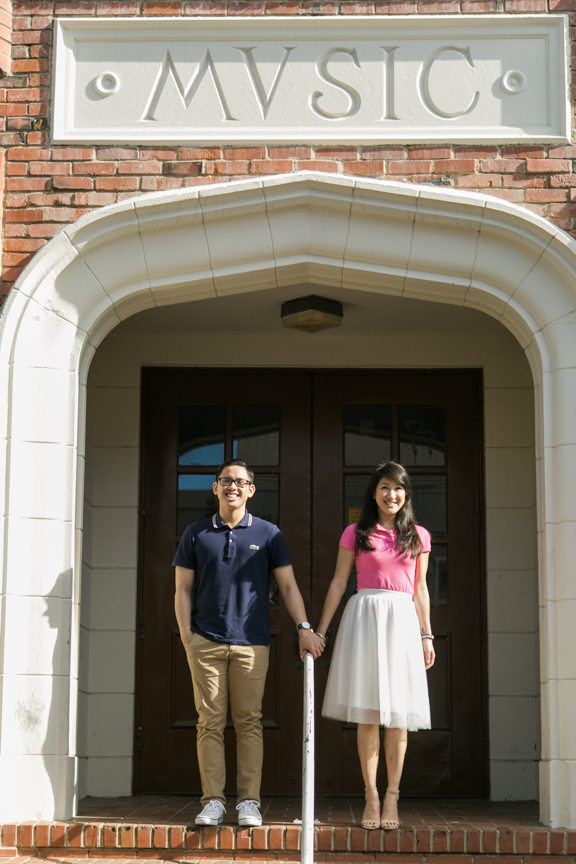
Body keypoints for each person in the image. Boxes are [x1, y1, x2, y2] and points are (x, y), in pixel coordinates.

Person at [174, 459, 324, 828]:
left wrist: (303, 626)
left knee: (248, 722)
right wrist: (186, 635)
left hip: (252, 643)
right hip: (205, 641)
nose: (233, 487)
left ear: (251, 490)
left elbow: (287, 586)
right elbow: (182, 588)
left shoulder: (269, 533)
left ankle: (248, 803)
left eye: (240, 482)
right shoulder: (196, 533)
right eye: (226, 481)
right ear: (215, 488)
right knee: (209, 722)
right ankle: (212, 802)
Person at [315, 461, 435, 831]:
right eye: (384, 487)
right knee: (368, 714)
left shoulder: (419, 536)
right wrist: (321, 630)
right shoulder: (356, 532)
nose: (391, 495)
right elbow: (338, 583)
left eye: (398, 488)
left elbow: (420, 589)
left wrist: (426, 634)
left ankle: (392, 798)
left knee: (398, 716)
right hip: (364, 618)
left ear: (406, 493)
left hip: (401, 622)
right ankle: (370, 794)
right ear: (373, 492)